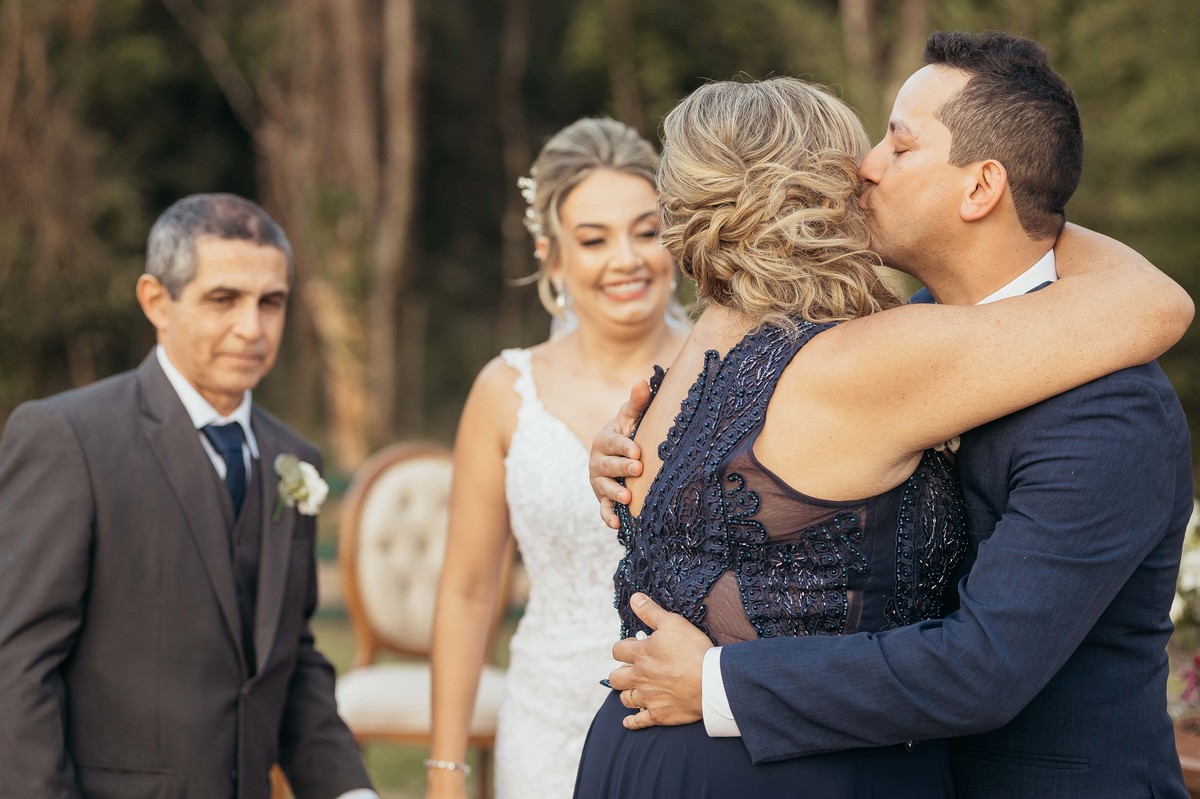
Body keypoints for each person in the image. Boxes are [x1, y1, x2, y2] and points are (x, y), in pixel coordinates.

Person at [588, 31, 1194, 798]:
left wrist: (718, 682)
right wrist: (650, 461)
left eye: (899, 146)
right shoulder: (896, 336)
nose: (863, 167)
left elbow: (983, 667)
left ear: (980, 188)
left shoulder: (1108, 408)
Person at [0, 194, 376, 799]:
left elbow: (292, 660)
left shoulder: (295, 459)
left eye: (270, 302)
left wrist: (350, 793)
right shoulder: (67, 438)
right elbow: (16, 670)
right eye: (223, 299)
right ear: (157, 301)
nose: (252, 328)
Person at [425, 118, 688, 799]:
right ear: (552, 256)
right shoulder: (503, 392)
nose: (627, 258)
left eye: (646, 230)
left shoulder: (722, 368)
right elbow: (467, 590)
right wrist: (446, 770)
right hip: (545, 723)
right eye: (594, 239)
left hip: (682, 719)